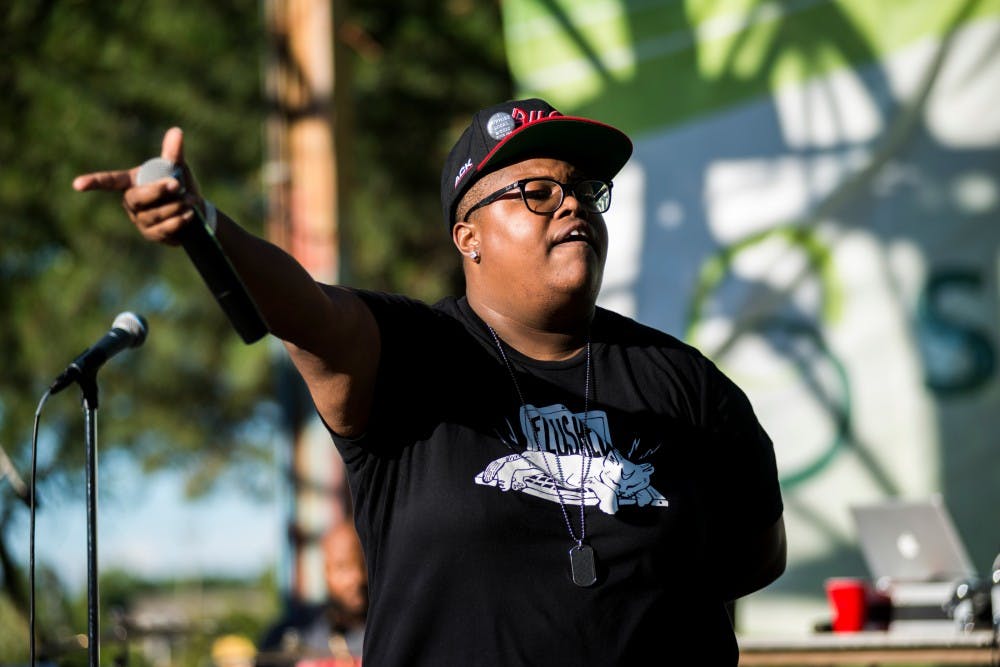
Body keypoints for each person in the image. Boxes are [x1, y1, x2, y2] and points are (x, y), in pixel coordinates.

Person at [74, 98, 786, 665]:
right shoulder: (412, 354)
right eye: (537, 191)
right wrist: (206, 224)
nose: (571, 204)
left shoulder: (692, 387)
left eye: (583, 190)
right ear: (467, 236)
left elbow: (754, 556)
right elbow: (307, 308)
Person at [258, 521, 367, 666]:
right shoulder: (293, 634)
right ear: (325, 572)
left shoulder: (392, 632)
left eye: (364, 565)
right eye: (342, 568)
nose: (357, 578)